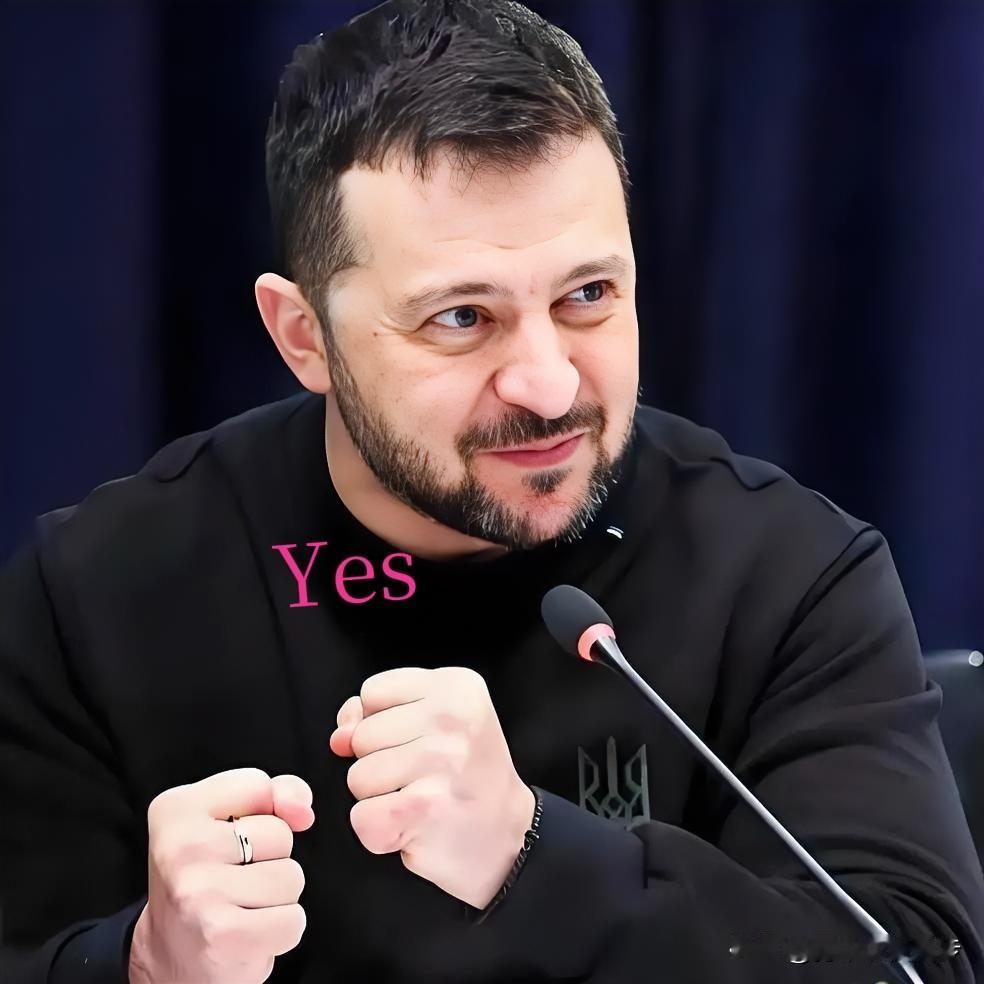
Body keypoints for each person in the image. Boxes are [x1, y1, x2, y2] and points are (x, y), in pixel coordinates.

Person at [1, 0, 982, 981]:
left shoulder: (784, 575)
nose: (549, 386)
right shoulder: (100, 595)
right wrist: (138, 963)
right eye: (463, 318)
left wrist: (535, 860)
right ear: (305, 337)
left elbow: (916, 963)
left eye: (587, 296)